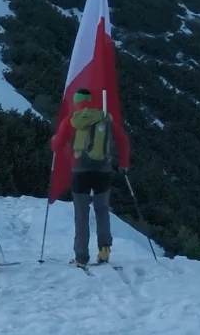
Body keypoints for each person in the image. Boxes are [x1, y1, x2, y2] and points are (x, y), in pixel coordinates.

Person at [50, 88, 130, 267]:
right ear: (91, 100)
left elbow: (56, 145)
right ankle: (104, 249)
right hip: (103, 170)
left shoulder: (71, 121)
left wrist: (55, 140)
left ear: (77, 101)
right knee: (101, 210)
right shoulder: (105, 118)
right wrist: (123, 163)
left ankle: (81, 257)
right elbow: (123, 140)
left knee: (81, 214)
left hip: (80, 171)